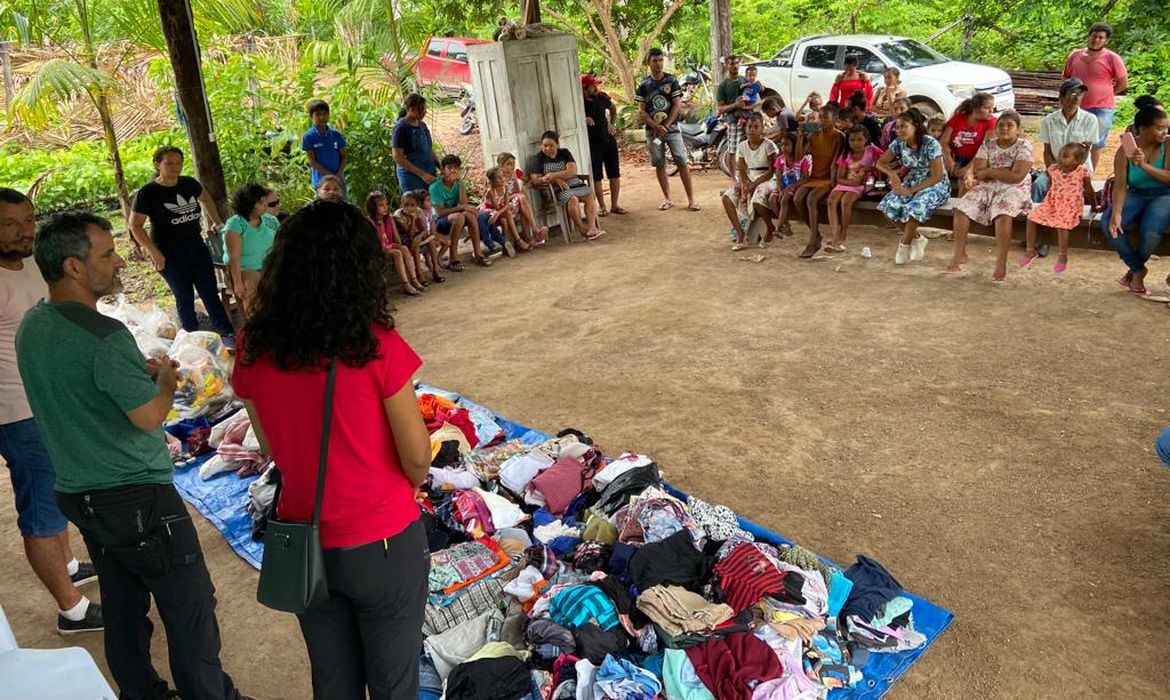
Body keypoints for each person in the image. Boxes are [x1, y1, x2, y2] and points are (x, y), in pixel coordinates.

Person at [18, 211, 247, 700]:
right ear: (73, 266)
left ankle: (141, 692)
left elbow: (76, 381)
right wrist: (164, 379)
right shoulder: (104, 336)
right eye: (108, 254)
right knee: (189, 605)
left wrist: (131, 371)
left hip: (80, 490)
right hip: (135, 495)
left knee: (123, 604)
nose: (121, 261)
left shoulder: (35, 322)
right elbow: (149, 417)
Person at [231, 200, 431, 700]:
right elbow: (417, 459)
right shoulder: (374, 343)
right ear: (360, 268)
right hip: (383, 540)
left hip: (304, 537)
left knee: (333, 680)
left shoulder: (253, 346)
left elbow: (272, 447)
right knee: (393, 683)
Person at [0, 189, 102, 636]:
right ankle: (71, 610)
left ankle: (69, 564)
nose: (24, 231)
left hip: (47, 399)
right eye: (10, 224)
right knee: (41, 510)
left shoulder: (30, 264)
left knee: (57, 491)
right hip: (17, 412)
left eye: (29, 220)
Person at [128, 146, 235, 343]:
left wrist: (216, 221)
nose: (175, 167)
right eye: (169, 163)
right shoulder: (148, 193)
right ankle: (192, 339)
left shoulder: (189, 183)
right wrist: (153, 252)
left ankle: (227, 333)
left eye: (178, 163)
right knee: (184, 295)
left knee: (209, 291)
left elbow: (205, 198)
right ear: (157, 165)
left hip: (195, 245)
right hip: (167, 251)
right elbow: (135, 226)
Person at [944, 111, 1034, 280]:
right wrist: (1002, 171)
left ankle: (1001, 262)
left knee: (1003, 213)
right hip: (987, 187)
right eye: (1001, 125)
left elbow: (1016, 177)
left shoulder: (1024, 146)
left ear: (1018, 130)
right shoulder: (988, 144)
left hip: (1014, 188)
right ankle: (959, 254)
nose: (1004, 128)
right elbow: (979, 171)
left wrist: (990, 171)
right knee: (962, 208)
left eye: (1009, 125)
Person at [1103, 106, 1170, 297]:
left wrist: (1143, 165)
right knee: (1110, 225)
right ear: (1142, 129)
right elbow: (1120, 187)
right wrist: (1117, 213)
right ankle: (1138, 269)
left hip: (1164, 194)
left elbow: (1168, 178)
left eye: (1166, 127)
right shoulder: (1124, 151)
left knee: (1151, 231)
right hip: (1136, 193)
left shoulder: (1168, 144)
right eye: (1159, 128)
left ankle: (1134, 272)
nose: (1164, 132)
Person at [877, 109, 950, 264]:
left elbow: (937, 176)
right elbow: (880, 163)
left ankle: (903, 245)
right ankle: (917, 238)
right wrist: (893, 174)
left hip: (936, 184)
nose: (899, 130)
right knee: (888, 206)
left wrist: (910, 190)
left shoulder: (931, 143)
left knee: (916, 206)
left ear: (915, 125)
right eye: (897, 127)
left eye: (904, 126)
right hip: (913, 180)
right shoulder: (899, 143)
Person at [1020, 142, 1096, 273]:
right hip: (1053, 203)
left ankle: (1062, 256)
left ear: (1077, 160)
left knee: (1062, 224)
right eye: (1060, 155)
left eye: (1065, 156)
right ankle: (1030, 250)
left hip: (1071, 205)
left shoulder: (1081, 171)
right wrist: (1047, 203)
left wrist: (1094, 205)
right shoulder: (1053, 170)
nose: (1060, 158)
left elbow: (1089, 190)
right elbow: (1051, 187)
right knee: (1031, 218)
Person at [637, 48, 698, 211]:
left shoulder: (671, 80)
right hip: (653, 132)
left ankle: (691, 200)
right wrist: (655, 126)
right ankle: (667, 199)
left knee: (682, 161)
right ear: (648, 63)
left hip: (672, 129)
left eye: (660, 60)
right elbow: (641, 110)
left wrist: (665, 125)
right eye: (655, 61)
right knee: (659, 163)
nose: (658, 64)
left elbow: (677, 104)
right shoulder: (643, 84)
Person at [1062, 22, 1128, 169]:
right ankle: (1072, 171)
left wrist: (1106, 94)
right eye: (1094, 36)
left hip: (1102, 108)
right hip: (1075, 106)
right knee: (1073, 140)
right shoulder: (1075, 55)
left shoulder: (1112, 58)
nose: (1096, 40)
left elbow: (1123, 82)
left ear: (1106, 40)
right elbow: (1066, 78)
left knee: (1096, 142)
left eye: (1100, 37)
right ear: (1088, 36)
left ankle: (1090, 174)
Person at [525, 130, 605, 240]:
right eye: (545, 146)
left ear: (557, 145)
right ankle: (582, 229)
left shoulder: (564, 153)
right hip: (556, 189)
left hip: (574, 183)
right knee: (573, 199)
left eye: (551, 145)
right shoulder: (538, 159)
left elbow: (572, 172)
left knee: (589, 195)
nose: (547, 148)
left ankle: (592, 228)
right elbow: (535, 180)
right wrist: (554, 180)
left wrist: (553, 175)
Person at [1032, 78, 1099, 202]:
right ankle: (1036, 212)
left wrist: (1071, 174)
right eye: (1072, 94)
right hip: (1055, 168)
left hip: (1079, 169)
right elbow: (1047, 152)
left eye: (1080, 94)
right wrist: (1055, 173)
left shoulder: (1090, 120)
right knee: (1038, 186)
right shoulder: (1048, 121)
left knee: (1069, 191)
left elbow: (1086, 152)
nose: (1076, 98)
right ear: (1061, 98)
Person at [794, 102, 845, 258]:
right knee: (797, 199)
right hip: (814, 177)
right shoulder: (814, 135)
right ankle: (816, 235)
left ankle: (812, 241)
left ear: (834, 119)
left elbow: (836, 162)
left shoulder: (838, 137)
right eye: (820, 118)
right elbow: (798, 157)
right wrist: (801, 137)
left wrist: (834, 184)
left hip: (828, 178)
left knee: (811, 199)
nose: (822, 121)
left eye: (825, 118)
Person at [721, 114, 778, 249]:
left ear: (762, 128)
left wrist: (754, 184)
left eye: (756, 127)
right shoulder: (742, 146)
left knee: (758, 199)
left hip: (767, 178)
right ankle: (740, 233)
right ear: (745, 128)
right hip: (749, 176)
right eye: (749, 127)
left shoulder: (769, 146)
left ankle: (770, 227)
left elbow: (772, 171)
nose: (752, 130)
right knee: (727, 197)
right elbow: (742, 169)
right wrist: (744, 184)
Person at [222, 183, 279, 314]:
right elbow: (234, 257)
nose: (265, 204)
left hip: (269, 266)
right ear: (249, 204)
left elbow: (280, 245)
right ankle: (255, 322)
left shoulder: (270, 220)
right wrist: (237, 283)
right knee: (252, 284)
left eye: (265, 201)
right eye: (261, 202)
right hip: (244, 269)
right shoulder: (235, 224)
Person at [825, 126, 884, 253]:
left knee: (846, 202)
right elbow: (839, 178)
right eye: (852, 140)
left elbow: (884, 162)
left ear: (866, 139)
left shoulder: (872, 150)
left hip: (862, 185)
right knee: (831, 201)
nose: (856, 143)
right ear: (848, 141)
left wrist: (869, 169)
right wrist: (852, 182)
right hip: (846, 183)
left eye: (859, 139)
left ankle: (842, 236)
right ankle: (834, 236)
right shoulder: (845, 155)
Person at [430, 154, 494, 268]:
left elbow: (464, 203)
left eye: (455, 168)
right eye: (449, 167)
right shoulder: (435, 187)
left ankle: (478, 254)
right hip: (439, 222)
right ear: (443, 170)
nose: (453, 170)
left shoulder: (458, 183)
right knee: (459, 216)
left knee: (469, 215)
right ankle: (453, 258)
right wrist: (462, 208)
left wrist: (460, 183)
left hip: (456, 217)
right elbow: (440, 213)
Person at [366, 191, 424, 295]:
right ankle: (405, 284)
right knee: (397, 253)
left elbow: (397, 239)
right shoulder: (370, 222)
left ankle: (414, 279)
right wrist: (393, 248)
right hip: (380, 250)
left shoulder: (389, 219)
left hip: (391, 246)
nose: (385, 207)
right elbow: (378, 245)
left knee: (404, 249)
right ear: (373, 208)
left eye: (386, 204)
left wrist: (399, 246)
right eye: (381, 205)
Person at [581, 74, 624, 216]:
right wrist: (583, 119)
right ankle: (602, 206)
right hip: (593, 145)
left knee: (614, 174)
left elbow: (613, 108)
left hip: (608, 141)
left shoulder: (601, 97)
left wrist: (612, 123)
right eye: (592, 86)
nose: (596, 88)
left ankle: (615, 205)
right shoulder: (578, 103)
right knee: (597, 176)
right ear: (584, 88)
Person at [941, 92, 997, 194]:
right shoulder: (958, 118)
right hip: (955, 159)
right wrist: (950, 161)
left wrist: (968, 168)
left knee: (966, 182)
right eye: (986, 108)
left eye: (992, 108)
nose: (991, 111)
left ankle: (960, 203)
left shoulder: (991, 122)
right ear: (975, 108)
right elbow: (944, 142)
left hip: (978, 160)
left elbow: (984, 149)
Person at [394, 189, 444, 285]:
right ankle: (418, 272)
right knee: (416, 245)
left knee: (430, 241)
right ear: (401, 204)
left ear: (416, 205)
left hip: (417, 236)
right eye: (406, 205)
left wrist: (419, 236)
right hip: (405, 239)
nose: (409, 208)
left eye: (412, 205)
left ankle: (435, 269)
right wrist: (413, 219)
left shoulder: (419, 211)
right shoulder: (399, 215)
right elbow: (409, 233)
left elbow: (424, 229)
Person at [497, 152, 548, 246]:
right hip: (502, 206)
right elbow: (498, 198)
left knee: (522, 203)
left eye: (513, 163)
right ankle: (535, 230)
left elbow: (523, 184)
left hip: (513, 203)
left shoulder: (514, 174)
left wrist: (525, 186)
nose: (512, 166)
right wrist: (517, 196)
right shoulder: (497, 178)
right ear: (500, 166)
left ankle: (529, 239)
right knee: (522, 198)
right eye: (508, 164)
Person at [393, 93, 441, 193]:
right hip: (411, 177)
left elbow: (429, 149)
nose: (424, 112)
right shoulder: (401, 128)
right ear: (411, 109)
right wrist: (422, 174)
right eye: (421, 110)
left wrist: (440, 166)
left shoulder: (422, 125)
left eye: (425, 109)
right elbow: (398, 157)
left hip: (429, 172)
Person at [482, 166, 532, 257]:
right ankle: (518, 240)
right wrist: (502, 210)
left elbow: (506, 204)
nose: (502, 179)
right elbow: (497, 207)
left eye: (502, 176)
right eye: (499, 178)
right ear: (493, 181)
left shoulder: (504, 187)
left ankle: (507, 244)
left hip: (499, 212)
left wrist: (501, 211)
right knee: (507, 214)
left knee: (505, 219)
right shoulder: (490, 191)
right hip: (490, 212)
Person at [301, 99, 347, 191]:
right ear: (311, 116)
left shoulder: (336, 135)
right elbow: (312, 161)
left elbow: (344, 156)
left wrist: (338, 175)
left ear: (328, 115)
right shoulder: (308, 136)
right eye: (318, 114)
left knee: (341, 200)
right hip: (321, 182)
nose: (322, 117)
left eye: (325, 114)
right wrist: (331, 176)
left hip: (339, 180)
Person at [716, 54, 750, 174]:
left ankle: (745, 175)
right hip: (733, 121)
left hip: (747, 120)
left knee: (746, 149)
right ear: (726, 66)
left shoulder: (744, 80)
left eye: (736, 63)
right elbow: (720, 108)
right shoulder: (723, 86)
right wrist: (735, 105)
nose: (735, 66)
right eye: (731, 64)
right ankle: (733, 177)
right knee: (732, 150)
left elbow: (755, 97)